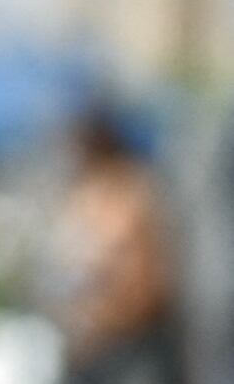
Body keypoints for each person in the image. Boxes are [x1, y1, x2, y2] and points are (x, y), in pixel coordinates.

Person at [50, 105, 180, 384]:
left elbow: (147, 283)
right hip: (95, 349)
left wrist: (102, 319)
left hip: (132, 345)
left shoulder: (131, 194)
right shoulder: (86, 195)